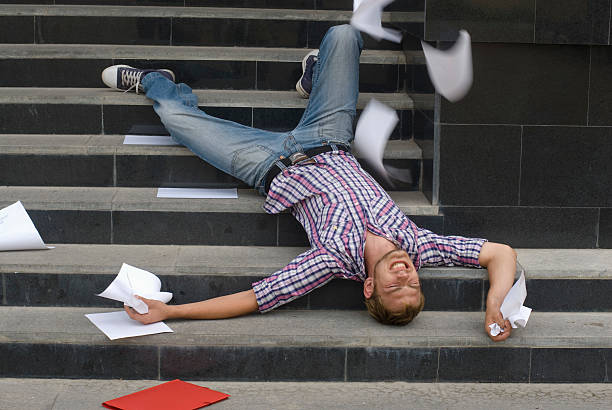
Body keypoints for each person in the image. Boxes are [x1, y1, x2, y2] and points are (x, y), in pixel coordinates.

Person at [101, 25, 516, 341]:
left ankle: (156, 81)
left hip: (264, 164)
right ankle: (317, 78)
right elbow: (500, 253)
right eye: (413, 283)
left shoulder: (331, 260)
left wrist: (171, 313)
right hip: (329, 136)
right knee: (344, 35)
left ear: (369, 287)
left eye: (395, 286)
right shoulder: (418, 244)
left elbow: (256, 298)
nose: (406, 275)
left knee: (177, 121)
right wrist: (493, 303)